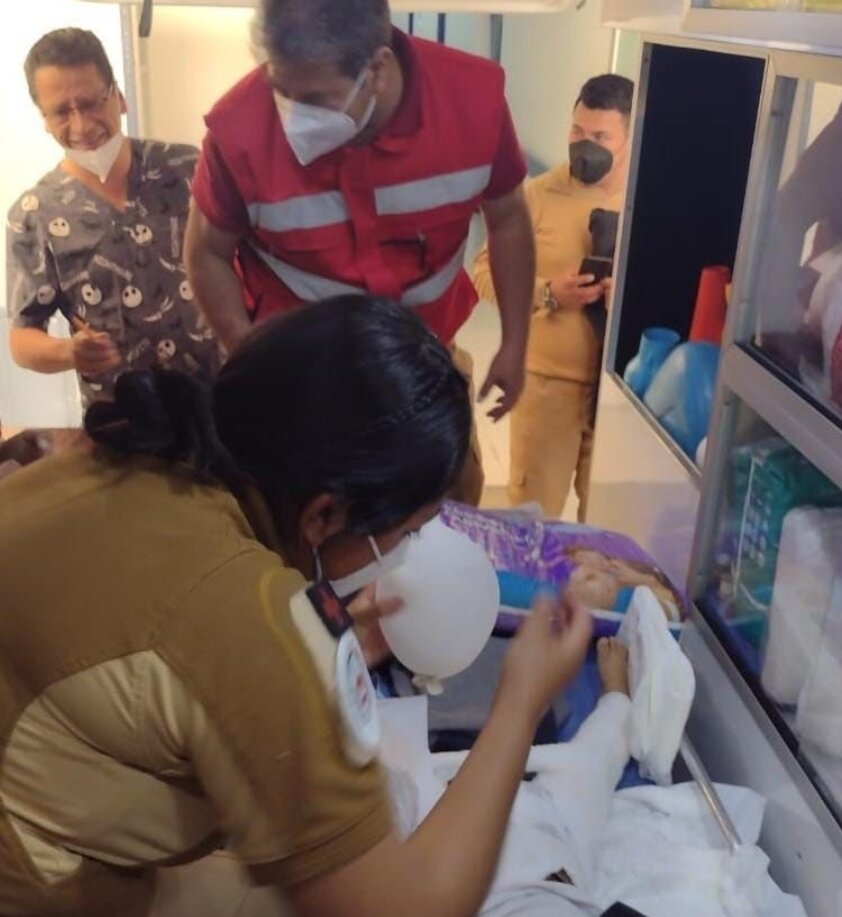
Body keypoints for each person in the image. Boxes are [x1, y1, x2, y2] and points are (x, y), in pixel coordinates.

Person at [0, 294, 592, 917]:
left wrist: (317, 653)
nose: (405, 554)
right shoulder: (251, 624)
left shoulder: (119, 463)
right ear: (324, 515)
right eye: (408, 532)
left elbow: (141, 644)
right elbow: (411, 907)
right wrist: (521, 700)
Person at [184, 0, 537, 506]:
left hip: (426, 363)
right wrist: (251, 361)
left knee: (446, 507)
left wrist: (515, 342)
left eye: (314, 99)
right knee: (317, 524)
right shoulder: (238, 130)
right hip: (303, 384)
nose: (292, 116)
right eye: (280, 90)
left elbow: (508, 219)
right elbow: (206, 253)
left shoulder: (472, 101)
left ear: (378, 67)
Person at [6, 28, 219, 409]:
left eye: (91, 103)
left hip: (219, 398)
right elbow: (23, 339)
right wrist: (68, 352)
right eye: (61, 112)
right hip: (122, 417)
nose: (81, 126)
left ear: (118, 97)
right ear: (44, 118)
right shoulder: (34, 215)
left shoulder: (189, 169)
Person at [473, 74, 634, 522]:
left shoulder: (647, 200)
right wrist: (547, 292)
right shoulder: (537, 194)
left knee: (611, 525)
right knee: (533, 522)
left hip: (621, 397)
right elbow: (483, 273)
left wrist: (627, 299)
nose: (584, 145)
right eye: (577, 131)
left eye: (600, 137)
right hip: (547, 389)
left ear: (629, 137)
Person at [387, 637, 634, 917]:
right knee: (601, 752)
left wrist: (520, 699)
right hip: (556, 850)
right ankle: (617, 700)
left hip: (460, 861)